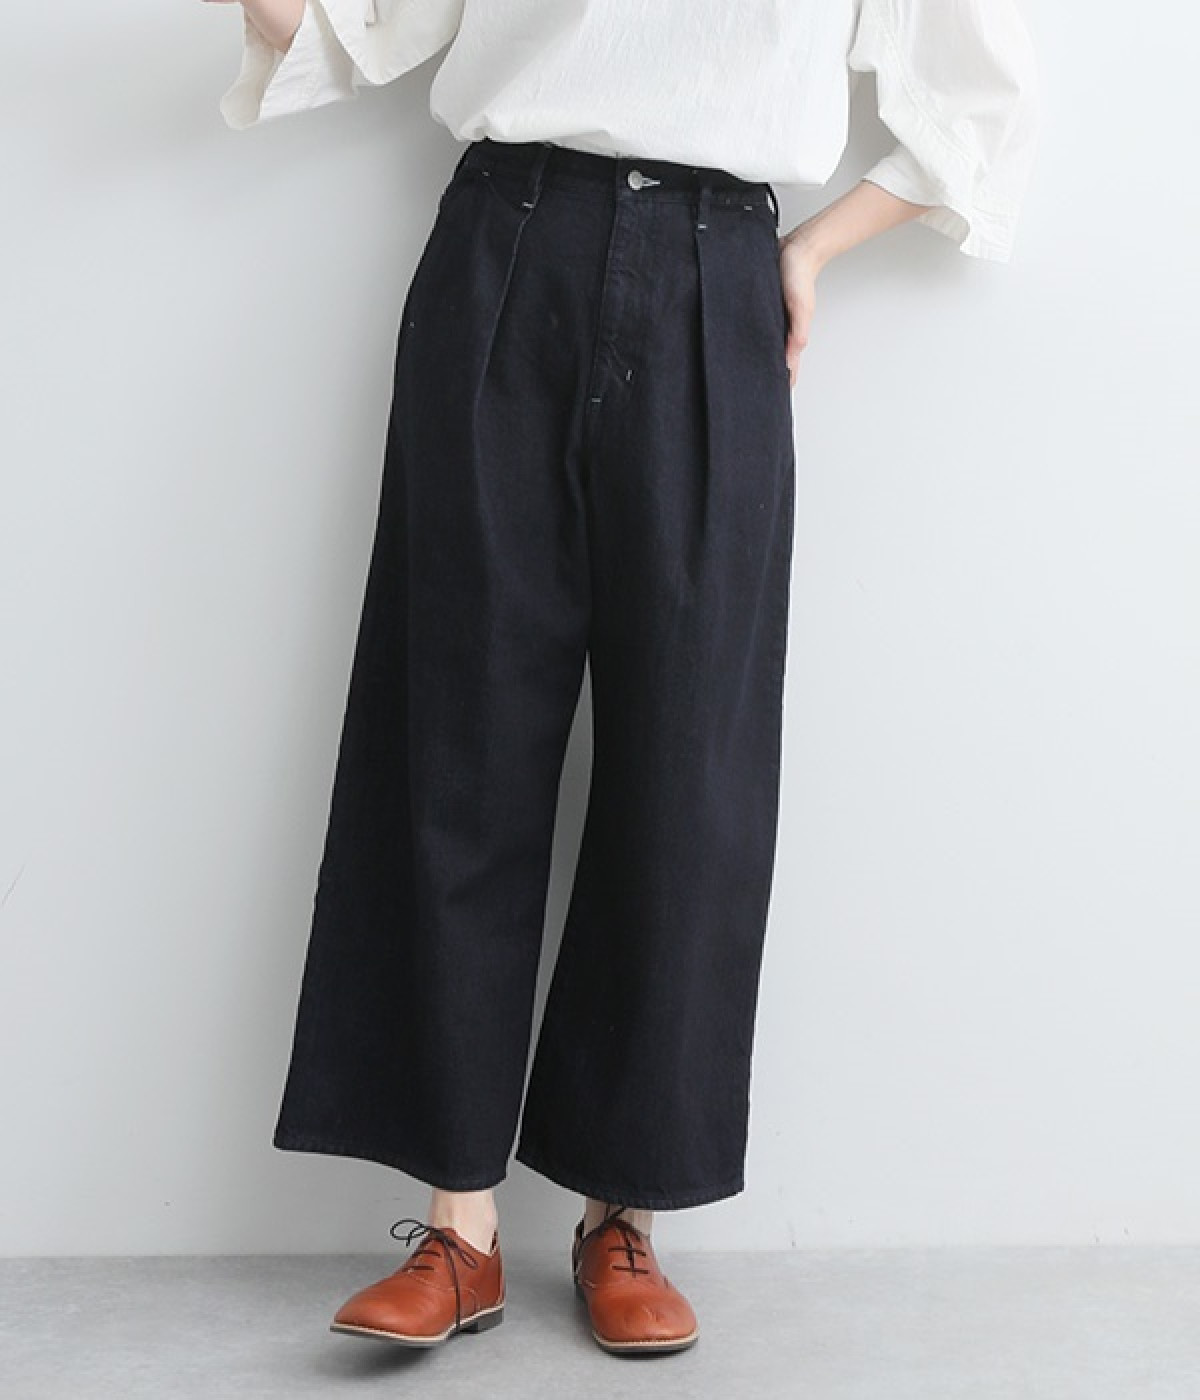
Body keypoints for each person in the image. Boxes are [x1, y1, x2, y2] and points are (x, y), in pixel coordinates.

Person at [205, 0, 1041, 1357]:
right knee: (457, 734)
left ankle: (624, 1213)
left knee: (687, 768)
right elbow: (354, 27)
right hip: (504, 243)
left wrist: (809, 250)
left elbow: (981, 104)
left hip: (719, 273)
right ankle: (460, 1227)